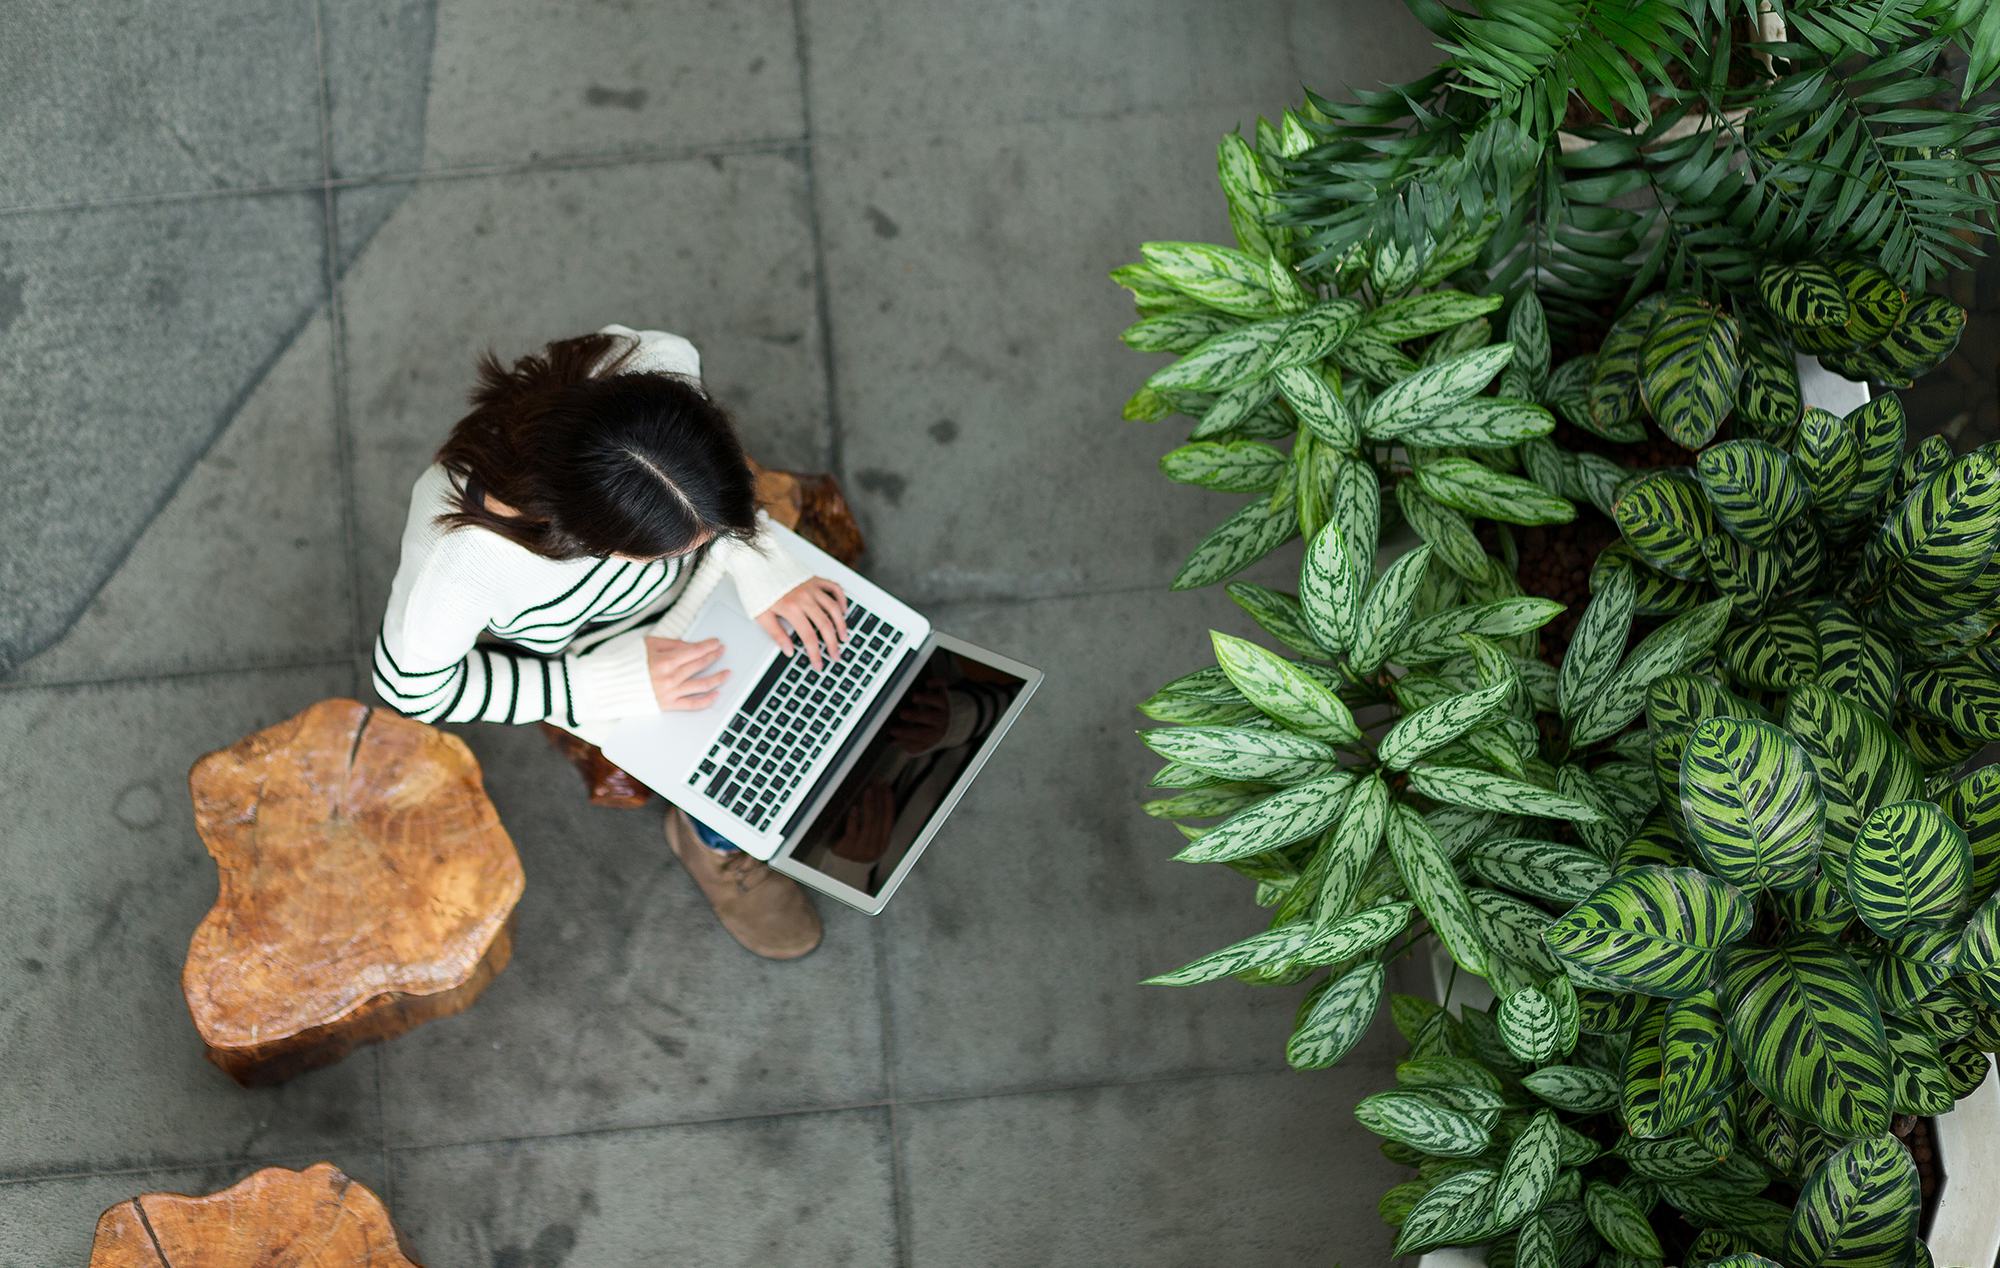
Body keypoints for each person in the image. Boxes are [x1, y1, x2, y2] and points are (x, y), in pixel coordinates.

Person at [372, 325, 847, 960]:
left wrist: (754, 553)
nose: (696, 545)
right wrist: (593, 685)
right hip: (605, 658)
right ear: (583, 540)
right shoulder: (457, 566)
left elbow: (702, 486)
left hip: (704, 594)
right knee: (720, 754)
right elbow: (410, 687)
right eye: (674, 546)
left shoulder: (657, 361)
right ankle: (712, 841)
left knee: (837, 661)